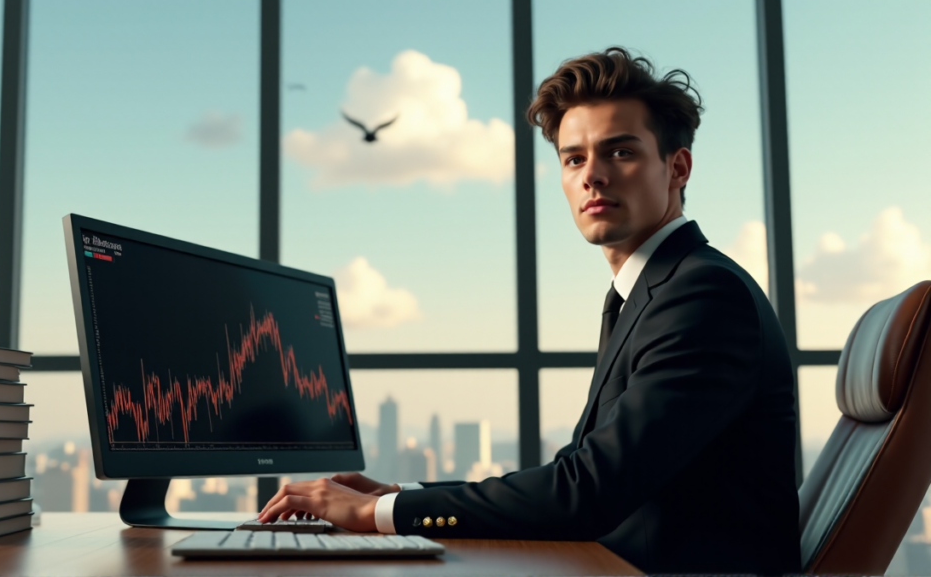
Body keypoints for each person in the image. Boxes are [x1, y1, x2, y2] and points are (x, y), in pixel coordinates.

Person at [258, 47, 801, 574]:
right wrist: (402, 495)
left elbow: (589, 492)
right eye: (574, 158)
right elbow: (579, 472)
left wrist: (376, 514)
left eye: (621, 151)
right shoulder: (652, 291)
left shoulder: (703, 295)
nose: (593, 175)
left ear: (677, 167)